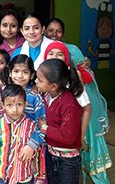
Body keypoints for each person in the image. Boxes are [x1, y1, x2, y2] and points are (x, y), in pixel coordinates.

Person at [45, 20, 112, 183]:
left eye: (59, 31)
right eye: (51, 30)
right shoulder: (45, 63)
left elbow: (86, 100)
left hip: (81, 123)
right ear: (45, 31)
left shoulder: (73, 56)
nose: (55, 34)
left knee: (86, 157)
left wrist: (81, 134)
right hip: (57, 137)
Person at [36, 59, 84, 184]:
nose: (36, 82)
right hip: (51, 153)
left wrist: (45, 128)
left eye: (40, 80)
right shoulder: (46, 96)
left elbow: (68, 137)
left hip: (68, 161)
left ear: (53, 86)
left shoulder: (69, 104)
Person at [0, 84, 38, 184]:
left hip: (24, 177)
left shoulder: (31, 127)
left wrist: (40, 177)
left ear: (25, 104)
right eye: (10, 105)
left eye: (19, 104)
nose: (14, 110)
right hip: (4, 177)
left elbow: (38, 153)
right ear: (3, 105)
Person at [9, 54, 46, 183]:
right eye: (16, 71)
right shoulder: (5, 93)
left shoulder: (35, 98)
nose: (20, 76)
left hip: (30, 147)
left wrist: (32, 145)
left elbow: (44, 126)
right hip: (10, 146)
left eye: (25, 72)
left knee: (28, 177)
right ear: (10, 73)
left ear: (31, 75)